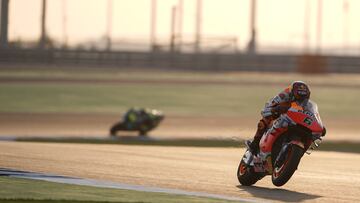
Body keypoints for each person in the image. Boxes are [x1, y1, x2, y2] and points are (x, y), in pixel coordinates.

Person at [247, 81, 325, 154]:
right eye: (299, 98)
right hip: (280, 116)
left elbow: (313, 114)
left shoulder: (309, 104)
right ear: (293, 94)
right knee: (263, 122)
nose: (301, 101)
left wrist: (319, 126)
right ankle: (256, 142)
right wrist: (275, 109)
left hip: (296, 120)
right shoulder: (283, 95)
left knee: (311, 135)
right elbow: (266, 109)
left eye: (304, 98)